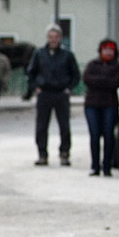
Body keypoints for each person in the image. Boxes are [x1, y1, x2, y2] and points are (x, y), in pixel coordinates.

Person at [24, 24, 80, 166]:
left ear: (60, 38)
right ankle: (42, 154)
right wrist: (36, 87)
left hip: (61, 93)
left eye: (56, 37)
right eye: (51, 37)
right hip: (44, 93)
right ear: (47, 38)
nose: (53, 40)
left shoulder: (67, 55)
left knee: (64, 126)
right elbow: (31, 73)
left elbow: (76, 74)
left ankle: (64, 153)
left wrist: (69, 88)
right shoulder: (39, 53)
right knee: (42, 126)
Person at [82, 39, 119, 176]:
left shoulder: (117, 66)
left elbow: (116, 82)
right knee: (94, 135)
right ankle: (95, 165)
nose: (108, 52)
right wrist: (105, 80)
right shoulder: (92, 64)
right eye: (105, 49)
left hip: (109, 105)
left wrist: (99, 81)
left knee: (108, 135)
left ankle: (107, 166)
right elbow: (87, 79)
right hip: (92, 105)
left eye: (111, 50)